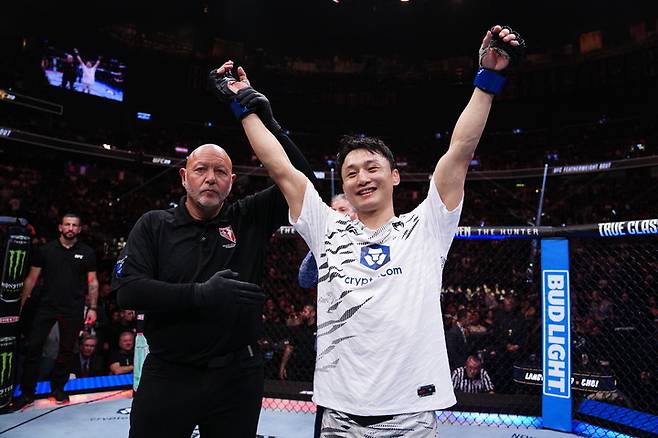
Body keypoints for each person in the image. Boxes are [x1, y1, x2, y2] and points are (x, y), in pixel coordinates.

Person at [221, 24, 524, 436]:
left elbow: (460, 150)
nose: (361, 178)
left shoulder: (426, 226)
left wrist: (487, 81)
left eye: (371, 167)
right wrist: (243, 105)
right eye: (351, 173)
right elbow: (279, 166)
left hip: (411, 416)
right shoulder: (326, 227)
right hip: (339, 417)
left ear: (395, 176)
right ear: (343, 185)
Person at [112, 62, 317, 437]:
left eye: (220, 172)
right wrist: (200, 294)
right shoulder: (155, 224)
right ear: (184, 176)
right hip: (168, 374)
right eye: (201, 169)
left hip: (237, 377)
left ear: (231, 181)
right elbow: (129, 290)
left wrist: (266, 120)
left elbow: (301, 181)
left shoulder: (248, 217)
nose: (210, 178)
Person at [12, 213, 98, 408]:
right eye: (67, 224)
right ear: (60, 227)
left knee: (66, 350)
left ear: (79, 229)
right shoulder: (46, 250)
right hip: (46, 305)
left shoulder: (87, 252)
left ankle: (58, 388)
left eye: (74, 225)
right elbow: (31, 279)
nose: (70, 228)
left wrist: (93, 308)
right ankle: (27, 393)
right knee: (33, 347)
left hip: (73, 307)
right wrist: (20, 305)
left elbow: (92, 282)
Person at [298, 194, 357, 289]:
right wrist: (319, 246)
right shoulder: (327, 241)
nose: (336, 214)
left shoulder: (367, 239)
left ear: (356, 215)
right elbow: (306, 281)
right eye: (333, 211)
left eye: (342, 210)